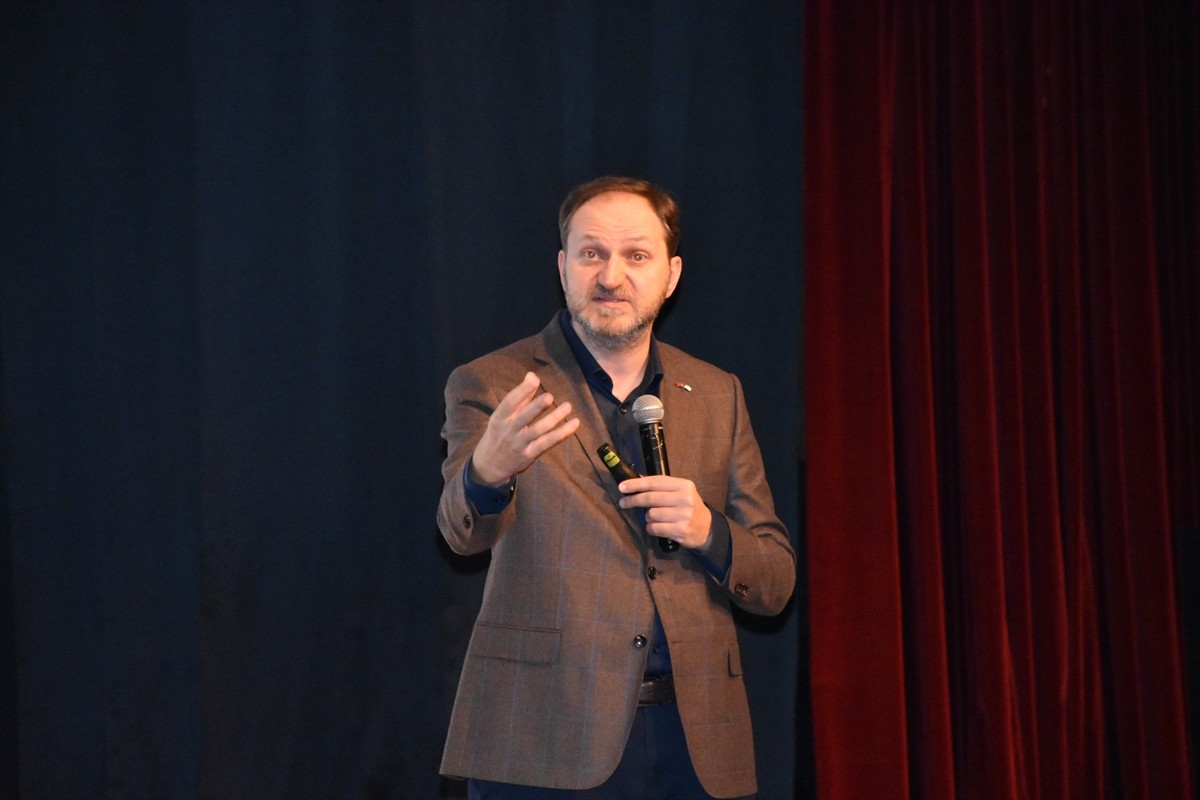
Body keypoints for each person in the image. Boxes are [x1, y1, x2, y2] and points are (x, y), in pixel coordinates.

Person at [437, 176, 795, 800]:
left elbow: (775, 583)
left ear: (671, 274)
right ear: (563, 265)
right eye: (591, 253)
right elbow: (459, 531)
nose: (611, 276)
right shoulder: (495, 383)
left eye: (636, 255)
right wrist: (486, 473)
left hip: (697, 742)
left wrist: (710, 531)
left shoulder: (718, 392)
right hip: (543, 736)